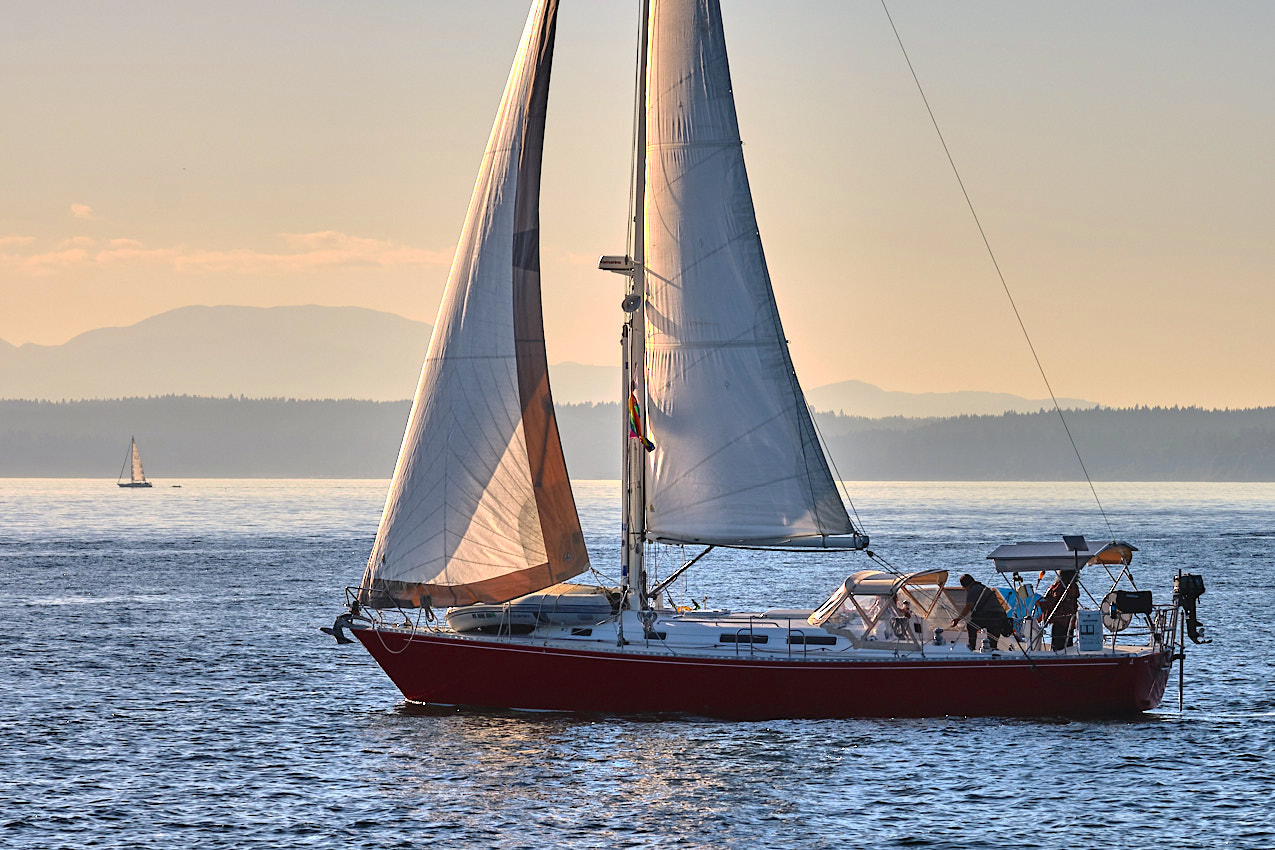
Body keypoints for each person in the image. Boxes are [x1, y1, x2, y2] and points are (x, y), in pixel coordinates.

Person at [951, 573, 1014, 651]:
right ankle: (992, 651)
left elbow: (968, 607)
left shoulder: (973, 590)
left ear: (965, 586)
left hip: (989, 616)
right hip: (1000, 617)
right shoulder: (982, 587)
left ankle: (971, 647)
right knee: (992, 642)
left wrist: (958, 619)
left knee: (971, 625)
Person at [1035, 569, 1080, 652]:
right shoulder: (1074, 586)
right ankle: (1068, 656)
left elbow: (1054, 602)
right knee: (1068, 642)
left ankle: (1057, 656)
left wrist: (1040, 604)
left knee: (1058, 644)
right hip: (1070, 619)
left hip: (1060, 620)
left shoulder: (1060, 586)